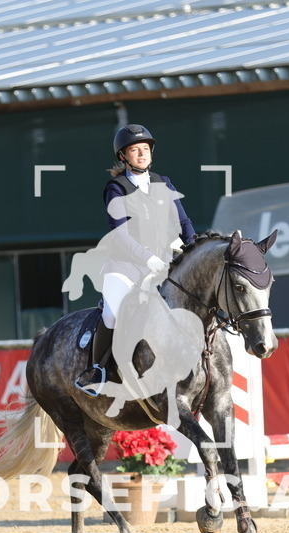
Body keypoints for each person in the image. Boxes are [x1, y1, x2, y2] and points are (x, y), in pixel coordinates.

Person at [74, 123, 196, 395]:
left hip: (164, 264)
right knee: (113, 312)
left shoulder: (163, 183)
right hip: (125, 267)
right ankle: (97, 370)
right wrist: (148, 258)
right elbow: (120, 235)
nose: (141, 154)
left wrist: (194, 248)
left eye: (145, 149)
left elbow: (184, 221)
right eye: (134, 150)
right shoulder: (116, 188)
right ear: (123, 156)